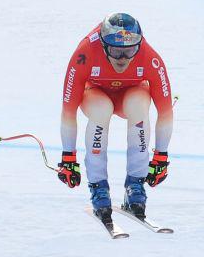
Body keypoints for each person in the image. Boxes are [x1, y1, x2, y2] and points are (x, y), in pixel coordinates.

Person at [56, 13, 173, 219]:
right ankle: (98, 187)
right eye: (115, 51)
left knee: (139, 104)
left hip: (130, 95)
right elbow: (68, 110)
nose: (122, 59)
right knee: (102, 109)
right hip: (95, 94)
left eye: (129, 51)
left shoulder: (149, 57)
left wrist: (161, 157)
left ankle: (135, 187)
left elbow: (165, 111)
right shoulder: (84, 53)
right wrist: (68, 157)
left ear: (138, 45)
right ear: (102, 45)